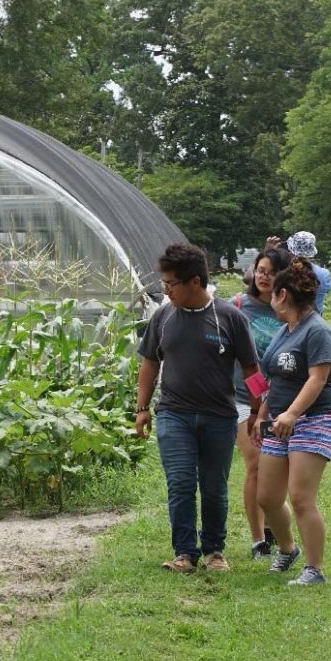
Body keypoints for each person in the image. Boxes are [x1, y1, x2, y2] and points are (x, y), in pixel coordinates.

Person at [135, 243, 260, 574]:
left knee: (214, 486)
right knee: (180, 482)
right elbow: (149, 362)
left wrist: (260, 410)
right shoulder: (163, 316)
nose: (166, 291)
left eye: (170, 284)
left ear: (194, 282)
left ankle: (214, 551)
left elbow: (252, 369)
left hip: (219, 417)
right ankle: (185, 553)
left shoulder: (230, 318)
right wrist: (142, 407)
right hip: (173, 414)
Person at [250, 259, 331, 586]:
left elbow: (317, 379)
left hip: (314, 419)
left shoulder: (318, 330)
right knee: (268, 497)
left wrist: (292, 413)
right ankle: (288, 550)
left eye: (273, 293)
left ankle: (314, 569)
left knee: (301, 497)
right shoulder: (283, 331)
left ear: (283, 294)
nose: (269, 299)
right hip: (279, 420)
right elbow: (272, 378)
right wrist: (263, 415)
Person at [231, 246, 292, 559]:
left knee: (277, 470)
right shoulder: (238, 307)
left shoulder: (290, 311)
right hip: (243, 399)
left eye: (271, 271)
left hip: (282, 402)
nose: (264, 276)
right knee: (254, 464)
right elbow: (247, 363)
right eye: (260, 270)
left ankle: (273, 524)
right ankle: (258, 540)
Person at [283, 231, 331, 316]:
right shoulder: (324, 274)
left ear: (291, 251)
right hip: (315, 323)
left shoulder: (285, 272)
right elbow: (327, 289)